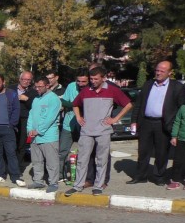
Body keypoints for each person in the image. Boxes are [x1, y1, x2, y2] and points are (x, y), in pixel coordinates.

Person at [65, 66, 132, 196]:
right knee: (82, 159)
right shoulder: (85, 91)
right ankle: (78, 185)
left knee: (101, 160)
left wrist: (115, 119)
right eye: (91, 79)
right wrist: (79, 117)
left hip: (103, 131)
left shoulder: (112, 90)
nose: (93, 81)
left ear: (103, 78)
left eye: (96, 79)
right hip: (86, 131)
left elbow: (128, 104)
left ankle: (99, 185)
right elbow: (75, 104)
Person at [128, 61, 185, 185]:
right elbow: (138, 104)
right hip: (146, 122)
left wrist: (177, 127)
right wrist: (134, 121)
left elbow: (182, 109)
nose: (158, 73)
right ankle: (140, 176)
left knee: (162, 152)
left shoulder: (177, 87)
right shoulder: (148, 84)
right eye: (157, 70)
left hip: (164, 124)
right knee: (143, 151)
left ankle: (159, 176)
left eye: (162, 71)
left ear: (170, 73)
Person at [27, 76, 62, 192]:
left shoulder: (53, 99)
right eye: (35, 86)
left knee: (52, 161)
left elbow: (50, 118)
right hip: (34, 136)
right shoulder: (36, 99)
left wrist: (39, 130)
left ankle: (53, 182)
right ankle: (38, 181)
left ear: (47, 86)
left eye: (39, 87)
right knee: (37, 160)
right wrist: (30, 130)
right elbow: (31, 115)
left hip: (48, 136)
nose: (37, 89)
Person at [58, 70, 89, 181]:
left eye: (83, 82)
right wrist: (75, 105)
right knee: (62, 151)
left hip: (85, 124)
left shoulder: (92, 89)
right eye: (78, 81)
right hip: (69, 123)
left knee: (84, 152)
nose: (80, 84)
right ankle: (59, 175)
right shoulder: (71, 86)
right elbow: (64, 101)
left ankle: (83, 177)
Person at [8, 71, 37, 169]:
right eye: (24, 79)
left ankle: (17, 167)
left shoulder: (33, 92)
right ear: (20, 79)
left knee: (22, 144)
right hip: (11, 119)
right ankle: (8, 166)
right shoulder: (10, 89)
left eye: (28, 80)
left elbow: (33, 107)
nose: (26, 81)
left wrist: (26, 99)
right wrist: (17, 98)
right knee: (10, 144)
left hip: (25, 119)